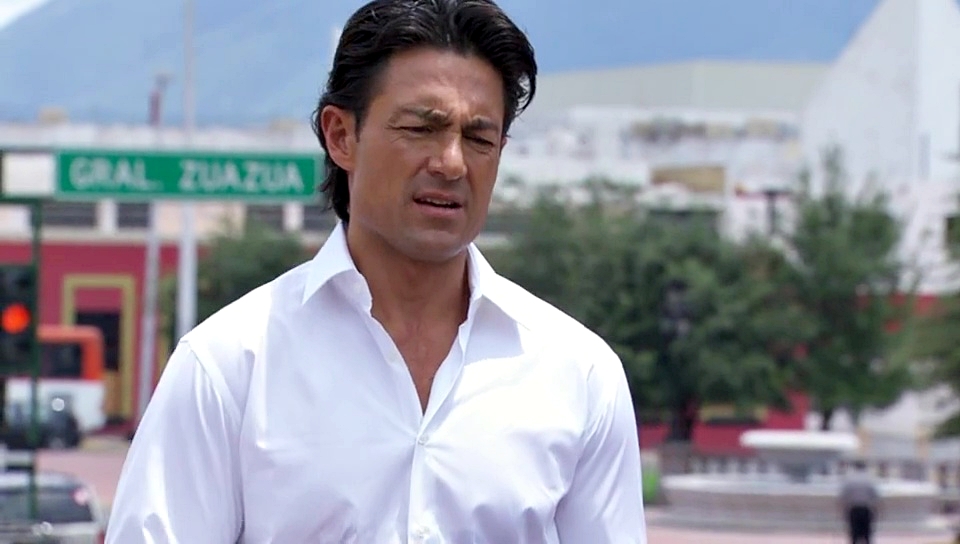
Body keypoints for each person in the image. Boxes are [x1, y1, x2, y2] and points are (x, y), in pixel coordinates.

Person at [106, 0, 647, 542]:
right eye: (421, 128)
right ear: (341, 136)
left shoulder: (577, 374)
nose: (451, 162)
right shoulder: (230, 366)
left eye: (479, 138)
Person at [839, 459, 881, 544]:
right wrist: (877, 511)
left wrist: (842, 511)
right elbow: (875, 497)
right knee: (867, 535)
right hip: (865, 509)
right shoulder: (869, 480)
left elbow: (844, 497)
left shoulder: (849, 480)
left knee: (854, 535)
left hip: (853, 509)